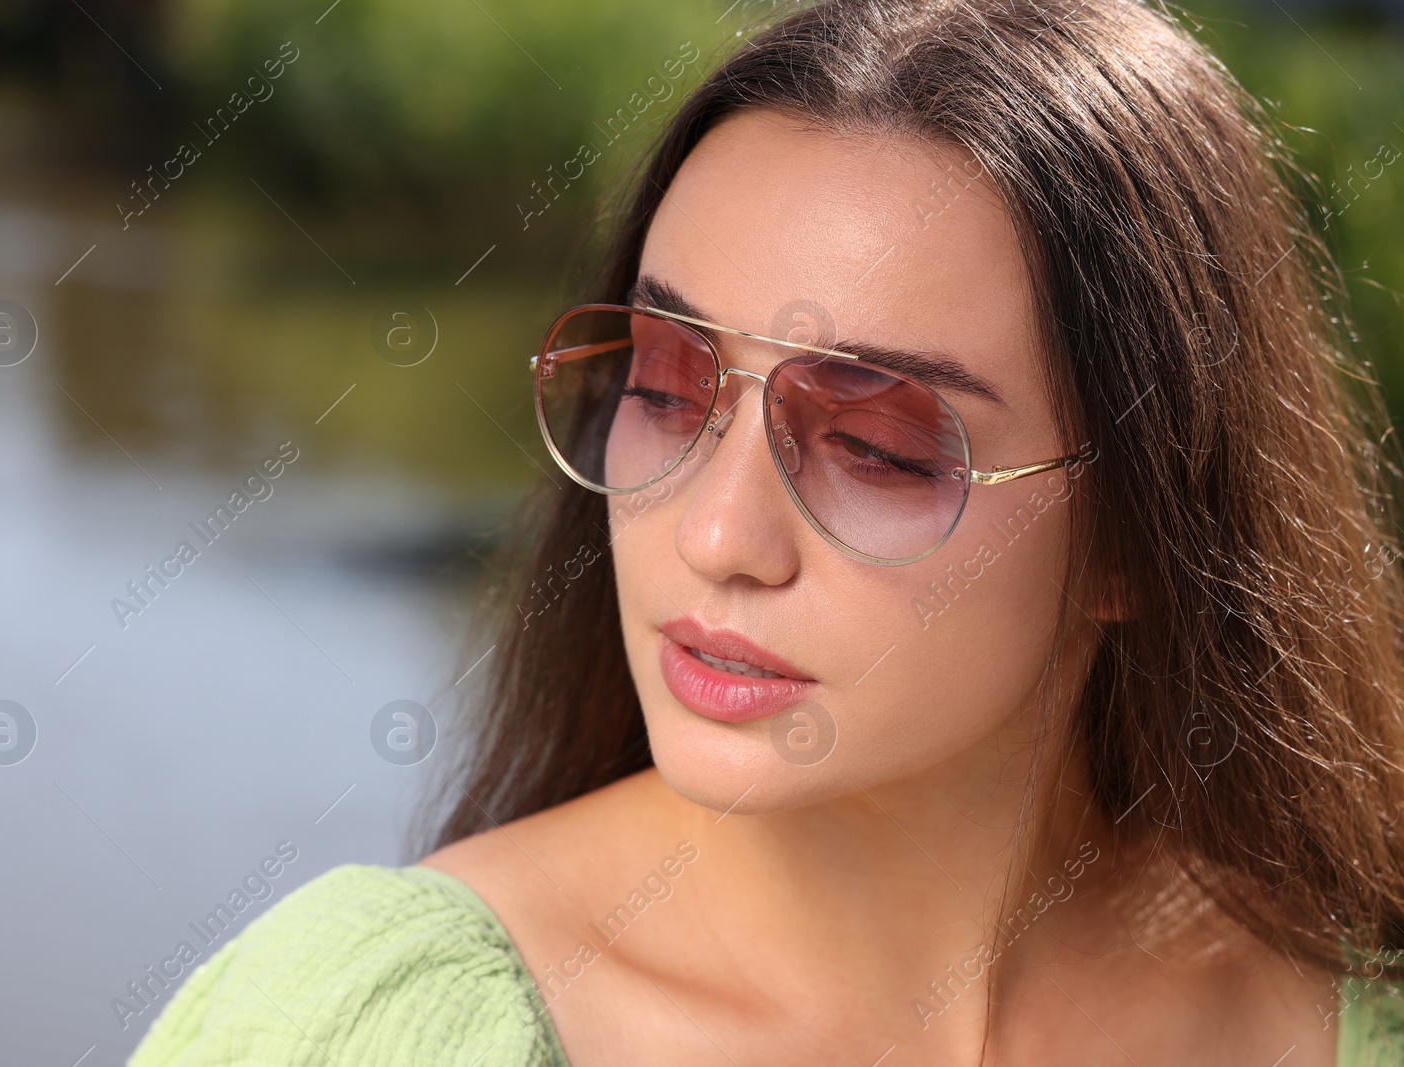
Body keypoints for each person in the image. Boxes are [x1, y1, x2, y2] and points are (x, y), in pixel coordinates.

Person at [127, 0, 1404, 1062]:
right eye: (669, 385)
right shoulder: (372, 1027)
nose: (717, 532)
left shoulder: (1347, 1005)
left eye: (877, 445)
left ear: (1136, 532)